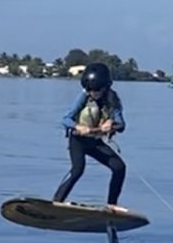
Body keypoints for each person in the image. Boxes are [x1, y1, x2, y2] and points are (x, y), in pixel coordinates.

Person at [53, 63, 127, 211]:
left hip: (95, 142)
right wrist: (77, 127)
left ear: (105, 87)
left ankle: (112, 205)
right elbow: (65, 119)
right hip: (78, 141)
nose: (92, 92)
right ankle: (56, 202)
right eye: (89, 89)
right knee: (78, 170)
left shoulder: (113, 101)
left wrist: (111, 125)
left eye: (96, 90)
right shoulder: (83, 97)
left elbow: (122, 125)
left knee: (119, 168)